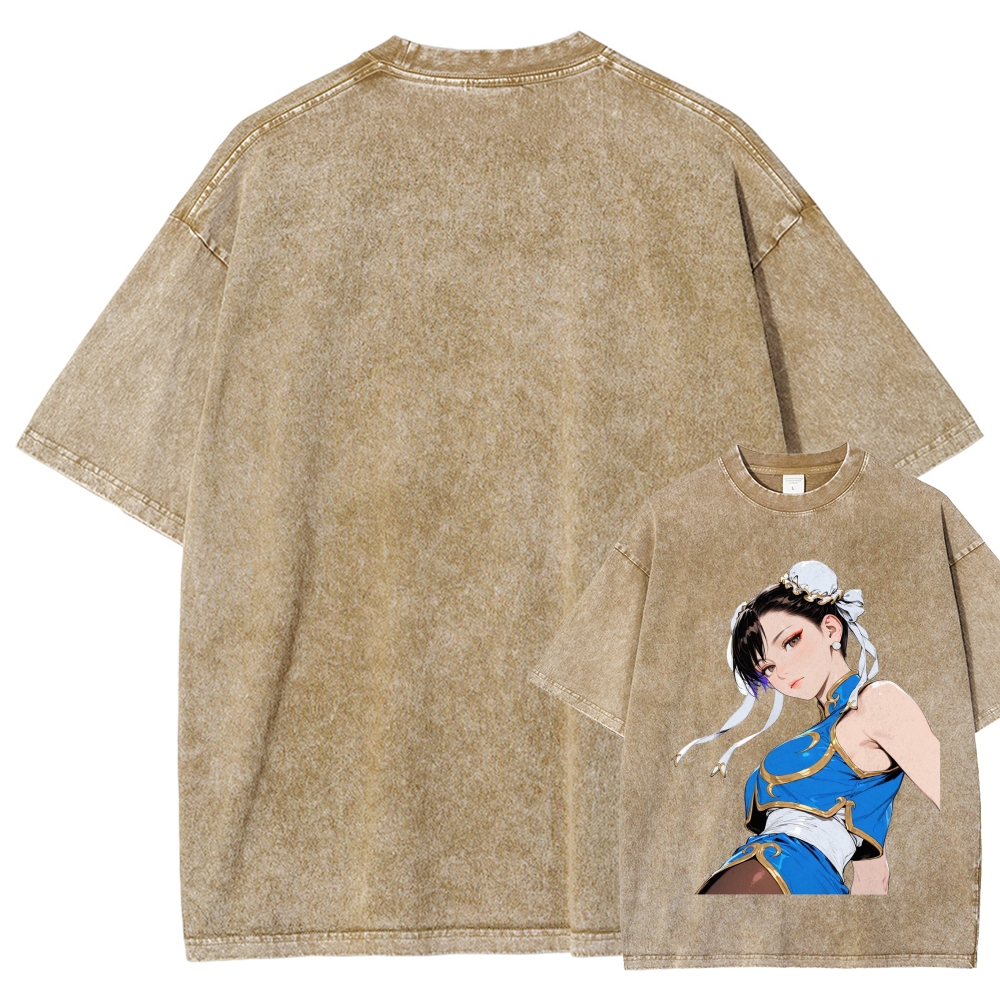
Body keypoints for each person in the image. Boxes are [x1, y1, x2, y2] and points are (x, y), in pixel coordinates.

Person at [674, 560, 940, 895]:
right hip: (758, 880)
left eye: (790, 641)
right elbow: (872, 878)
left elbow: (957, 793)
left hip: (791, 878)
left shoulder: (877, 701)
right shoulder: (830, 730)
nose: (782, 672)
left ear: (831, 629)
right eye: (767, 668)